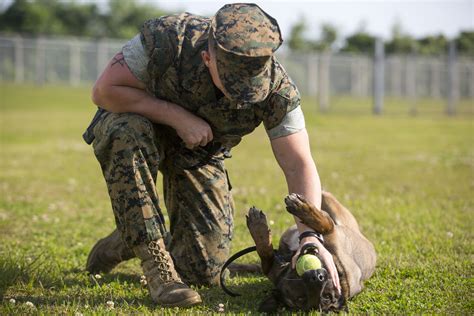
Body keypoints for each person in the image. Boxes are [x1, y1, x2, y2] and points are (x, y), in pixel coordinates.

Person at [84, 3, 340, 308]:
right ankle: (155, 264)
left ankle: (127, 236)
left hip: (197, 154)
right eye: (233, 85)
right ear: (208, 58)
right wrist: (176, 116)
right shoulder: (168, 39)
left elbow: (298, 163)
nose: (240, 95)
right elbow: (104, 91)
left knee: (203, 270)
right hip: (141, 127)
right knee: (125, 130)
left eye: (251, 89)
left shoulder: (279, 90)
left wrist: (310, 240)